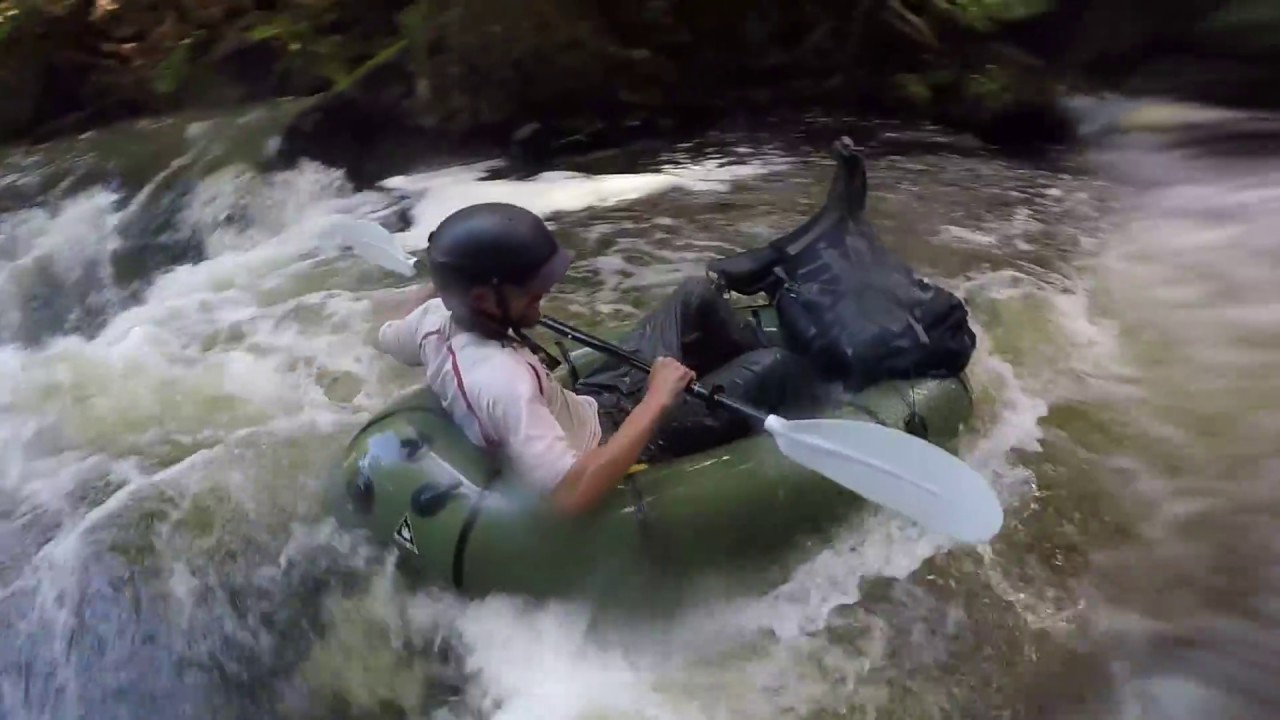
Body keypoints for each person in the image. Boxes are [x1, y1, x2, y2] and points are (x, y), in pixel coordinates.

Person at [375, 202, 820, 517]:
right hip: (614, 443)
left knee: (695, 294)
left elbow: (386, 336)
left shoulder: (430, 321)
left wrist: (438, 286)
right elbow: (572, 495)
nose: (545, 292)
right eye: (531, 288)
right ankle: (820, 404)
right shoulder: (502, 382)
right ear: (482, 300)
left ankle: (740, 392)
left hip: (594, 403)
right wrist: (656, 401)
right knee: (776, 366)